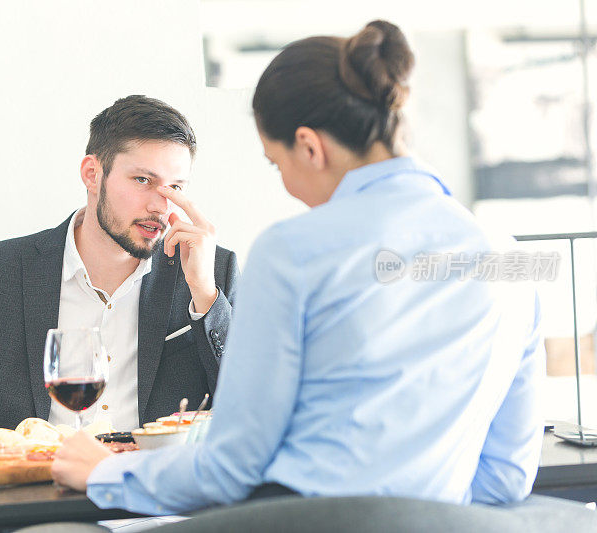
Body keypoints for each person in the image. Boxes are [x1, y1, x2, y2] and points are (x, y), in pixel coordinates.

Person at [49, 20, 544, 514]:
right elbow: (505, 479)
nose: (286, 183)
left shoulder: (294, 251)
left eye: (276, 163)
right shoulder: (509, 259)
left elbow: (229, 470)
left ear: (309, 146)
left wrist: (104, 472)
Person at [0, 95, 239, 458]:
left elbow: (248, 407)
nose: (160, 205)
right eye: (143, 180)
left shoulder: (209, 273)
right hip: (34, 500)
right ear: (92, 174)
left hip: (162, 502)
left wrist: (205, 297)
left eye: (175, 187)